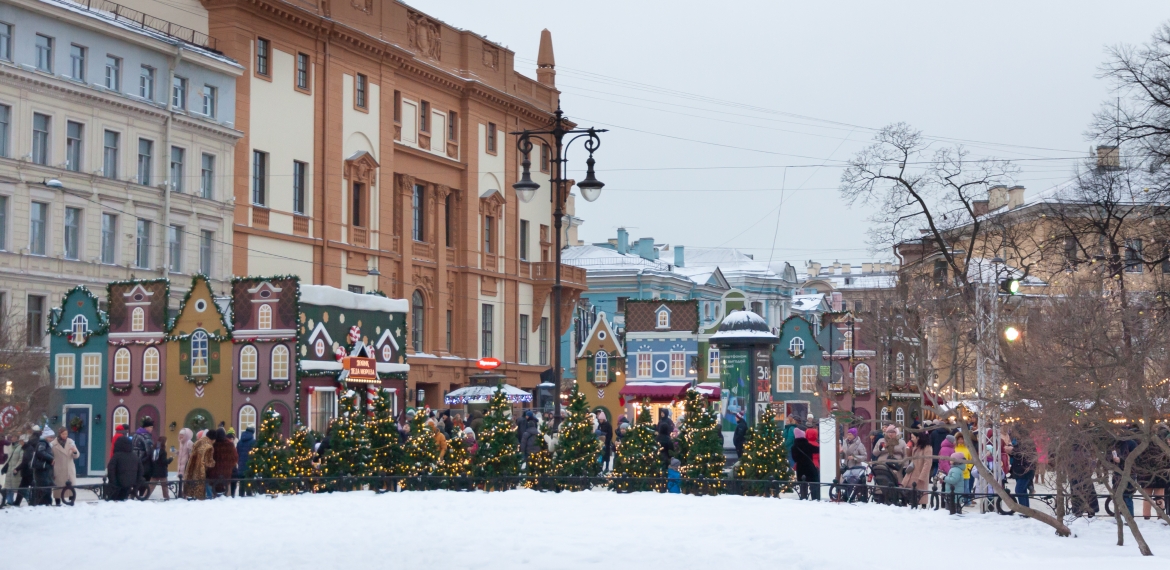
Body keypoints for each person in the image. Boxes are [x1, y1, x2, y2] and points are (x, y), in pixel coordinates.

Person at [105, 436, 143, 501]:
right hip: (130, 485)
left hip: (118, 486)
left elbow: (111, 469)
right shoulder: (135, 456)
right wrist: (136, 483)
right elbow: (141, 470)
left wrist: (113, 482)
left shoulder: (117, 456)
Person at [50, 427, 80, 506]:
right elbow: (50, 456)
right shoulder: (53, 444)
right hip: (58, 469)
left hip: (69, 469)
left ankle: (71, 502)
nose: (65, 435)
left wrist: (74, 451)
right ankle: (57, 502)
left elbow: (76, 456)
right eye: (63, 434)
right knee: (58, 489)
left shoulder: (71, 442)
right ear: (59, 434)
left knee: (71, 488)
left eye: (66, 434)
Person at [184, 429, 216, 500]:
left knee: (192, 489)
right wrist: (214, 463)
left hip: (191, 467)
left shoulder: (198, 442)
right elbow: (208, 462)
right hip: (200, 471)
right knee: (200, 492)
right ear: (213, 439)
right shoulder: (209, 447)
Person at [902, 431, 932, 506]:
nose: (911, 439)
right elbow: (909, 456)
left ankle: (921, 507)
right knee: (907, 489)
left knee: (920, 495)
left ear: (918, 438)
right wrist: (908, 447)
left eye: (913, 437)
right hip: (912, 472)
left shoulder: (927, 447)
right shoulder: (915, 446)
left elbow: (927, 463)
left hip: (919, 473)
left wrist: (922, 476)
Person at [791, 428, 819, 500]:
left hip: (800, 468)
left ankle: (803, 498)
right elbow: (817, 450)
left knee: (803, 485)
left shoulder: (793, 447)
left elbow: (795, 459)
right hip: (810, 467)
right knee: (814, 484)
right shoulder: (808, 445)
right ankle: (815, 498)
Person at [2, 429, 28, 506]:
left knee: (18, 487)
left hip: (16, 470)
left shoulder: (21, 447)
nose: (11, 438)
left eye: (13, 437)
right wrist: (5, 467)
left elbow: (21, 459)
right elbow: (9, 458)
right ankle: (9, 501)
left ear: (17, 438)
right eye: (11, 437)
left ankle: (30, 499)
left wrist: (16, 468)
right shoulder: (11, 447)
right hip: (10, 470)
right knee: (8, 487)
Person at [1008, 436, 1035, 509]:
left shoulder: (1027, 445)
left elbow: (1021, 453)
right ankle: (1026, 509)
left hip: (1025, 472)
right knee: (1023, 491)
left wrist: (1012, 450)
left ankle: (1024, 510)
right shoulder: (1019, 444)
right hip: (1019, 471)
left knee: (1019, 490)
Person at [31, 426, 55, 505]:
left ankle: (45, 502)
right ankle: (44, 502)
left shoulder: (44, 443)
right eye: (50, 437)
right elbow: (40, 452)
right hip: (42, 469)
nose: (52, 439)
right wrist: (51, 458)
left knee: (46, 487)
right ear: (46, 436)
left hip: (44, 469)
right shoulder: (42, 443)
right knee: (44, 487)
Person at [211, 428, 238, 498]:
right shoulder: (230, 444)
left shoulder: (213, 445)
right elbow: (235, 457)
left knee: (215, 488)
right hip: (227, 470)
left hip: (215, 471)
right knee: (226, 487)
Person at [131, 417, 156, 488]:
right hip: (144, 462)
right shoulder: (146, 436)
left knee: (136, 480)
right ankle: (142, 496)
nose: (152, 429)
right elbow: (149, 451)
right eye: (150, 427)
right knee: (144, 482)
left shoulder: (135, 435)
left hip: (135, 461)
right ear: (146, 427)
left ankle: (134, 494)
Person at [148, 435, 173, 500]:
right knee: (164, 486)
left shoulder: (154, 450)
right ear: (163, 442)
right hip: (162, 472)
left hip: (154, 471)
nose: (166, 443)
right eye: (166, 442)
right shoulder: (163, 451)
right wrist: (170, 459)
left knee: (151, 486)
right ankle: (166, 497)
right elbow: (164, 461)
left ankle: (145, 496)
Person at [236, 426, 256, 497]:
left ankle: (241, 495)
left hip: (241, 464)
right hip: (250, 465)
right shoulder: (253, 442)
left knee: (241, 482)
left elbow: (237, 453)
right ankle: (249, 495)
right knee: (248, 482)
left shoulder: (239, 442)